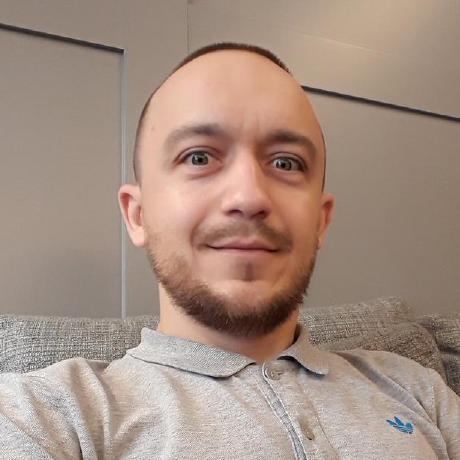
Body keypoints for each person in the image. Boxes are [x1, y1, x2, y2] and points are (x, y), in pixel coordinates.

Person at [0, 42, 459, 459]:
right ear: (138, 215)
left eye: (286, 162)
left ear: (321, 221)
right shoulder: (48, 416)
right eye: (199, 157)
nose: (249, 196)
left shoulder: (417, 389)